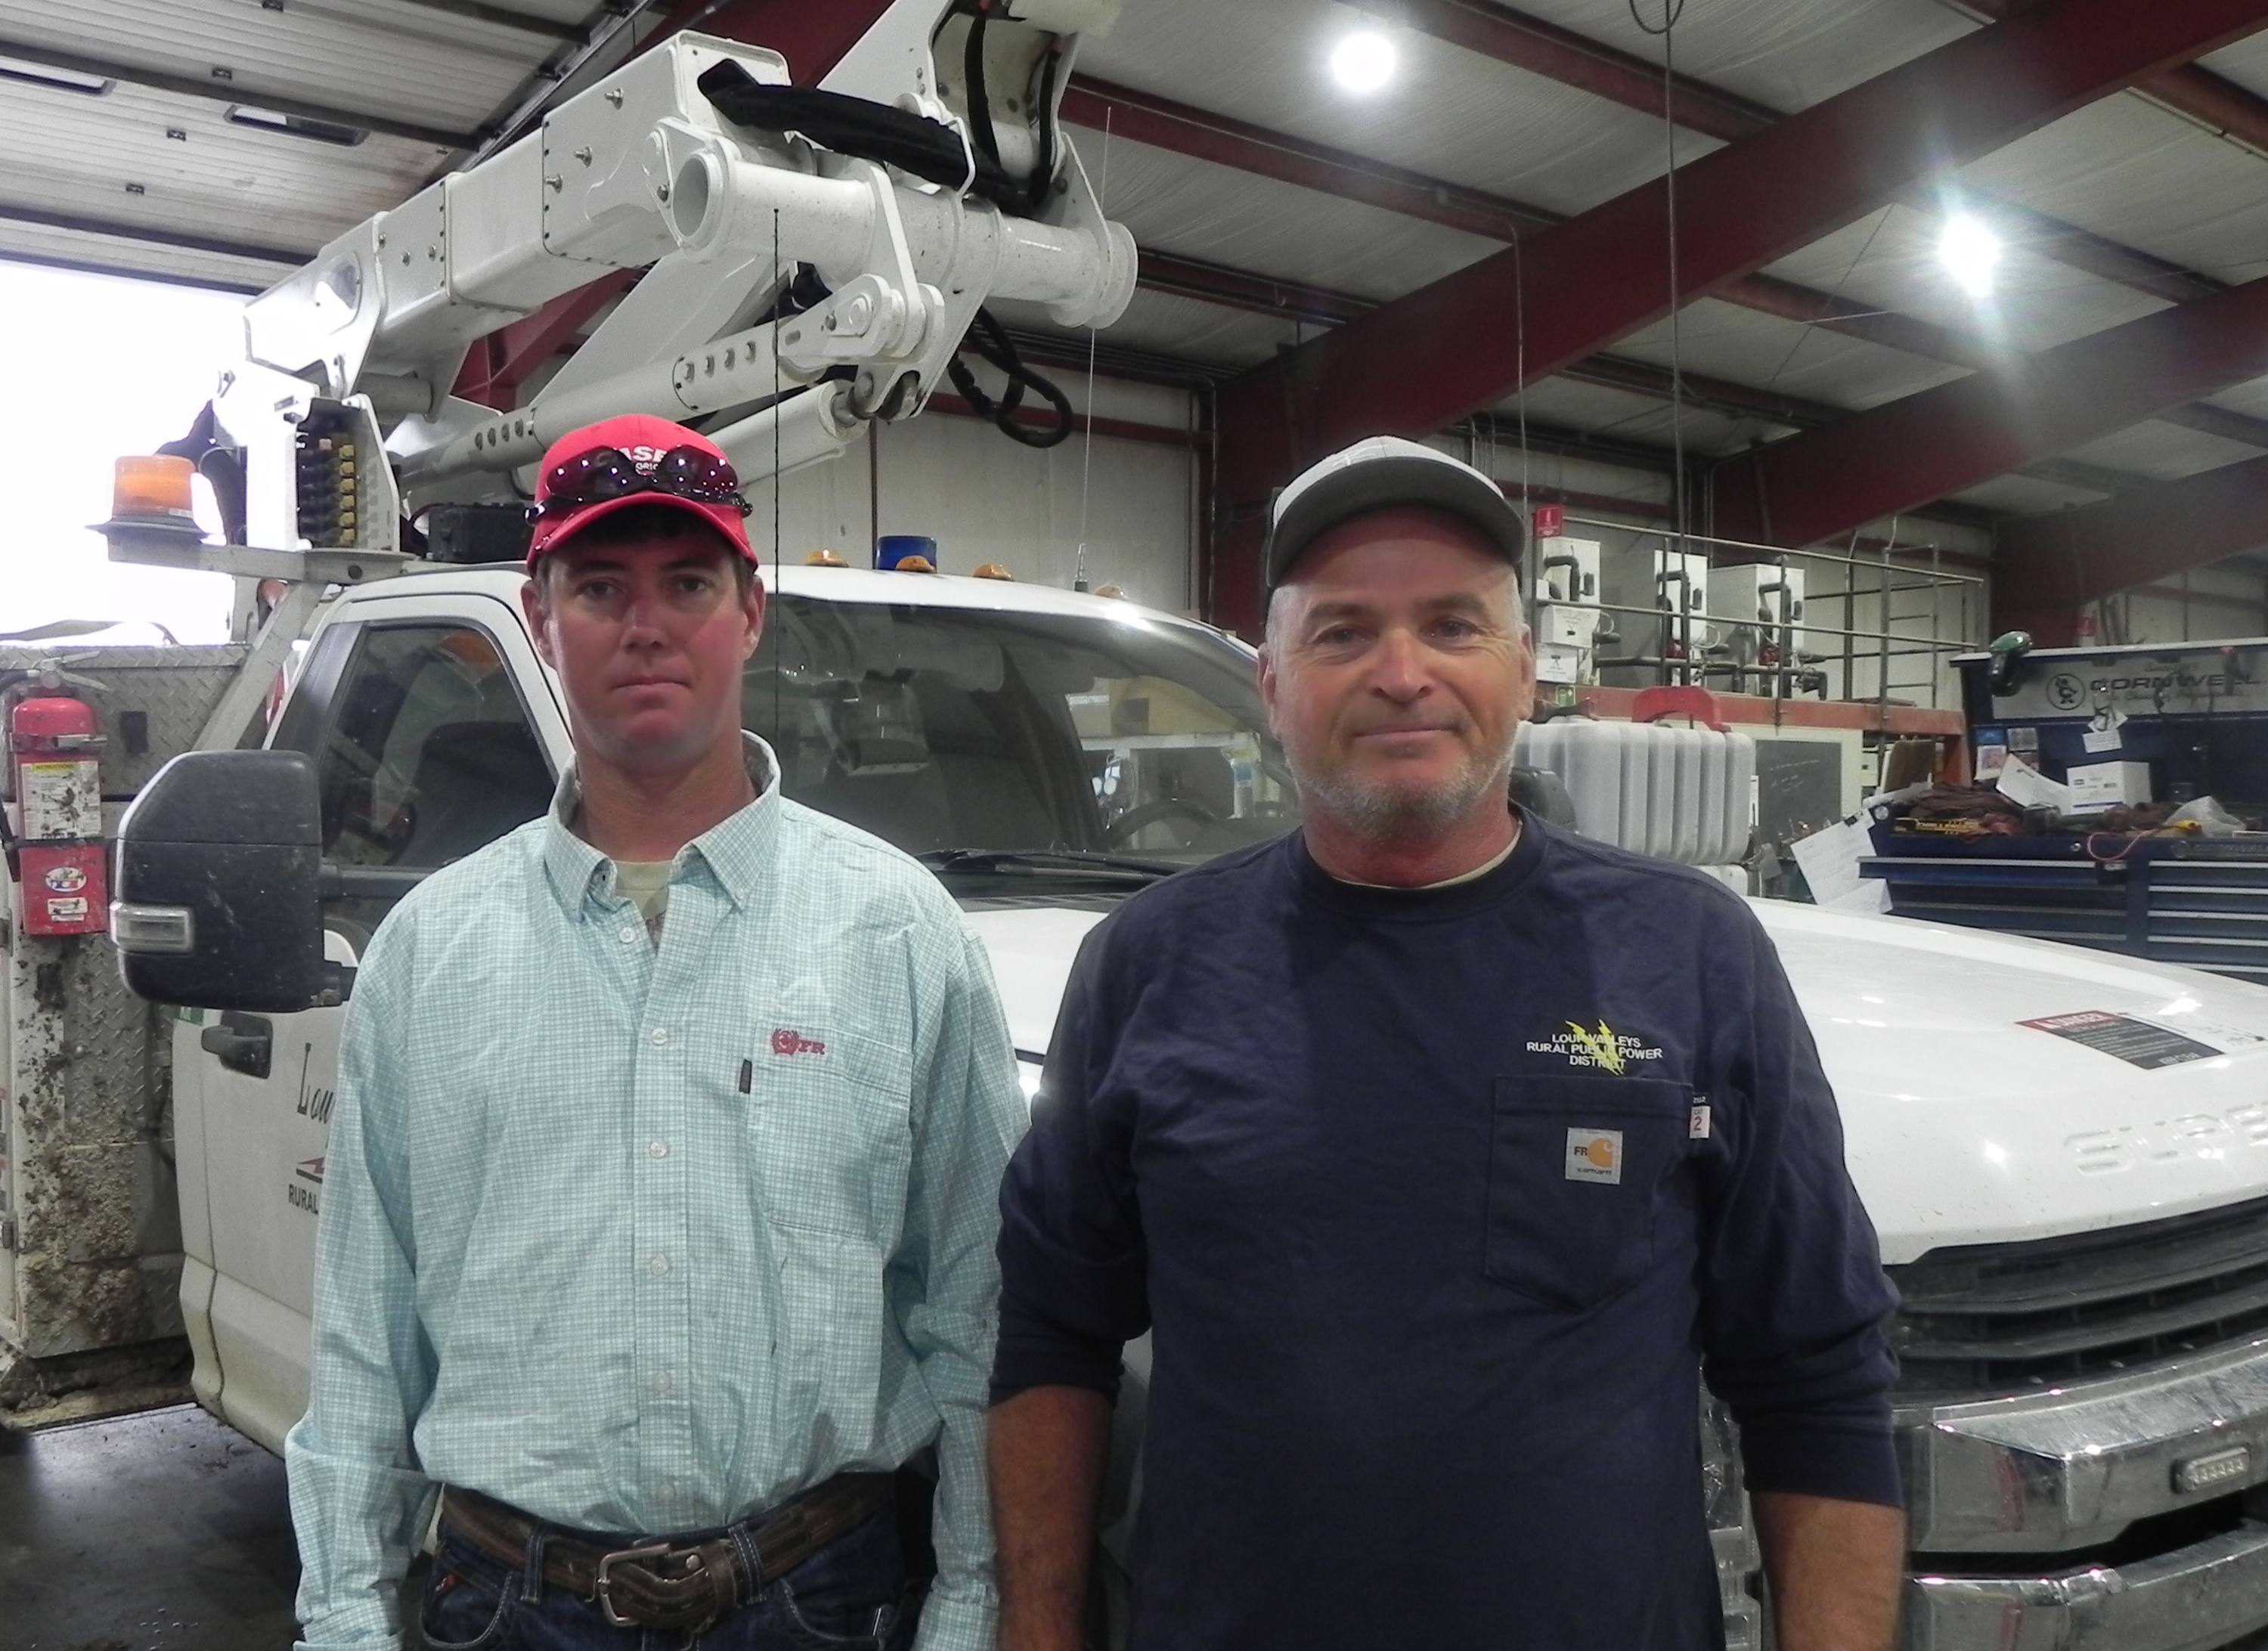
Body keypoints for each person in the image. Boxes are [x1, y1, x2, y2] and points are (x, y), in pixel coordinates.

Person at [987, 435, 1905, 1651]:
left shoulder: (1691, 953)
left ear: (1525, 670)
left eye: (1454, 626)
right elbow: (1054, 1332)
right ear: (1270, 683)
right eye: (1344, 631)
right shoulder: (1148, 966)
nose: (1402, 673)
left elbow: (1814, 1372)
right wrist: (1040, 1631)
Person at [287, 414, 1025, 1651]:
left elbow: (975, 1309)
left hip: (816, 1598)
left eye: (688, 582)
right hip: (507, 1606)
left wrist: (968, 1602)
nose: (647, 623)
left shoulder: (901, 935)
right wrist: (347, 1621)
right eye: (598, 586)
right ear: (538, 613)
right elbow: (371, 1325)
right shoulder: (429, 952)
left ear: (750, 612)